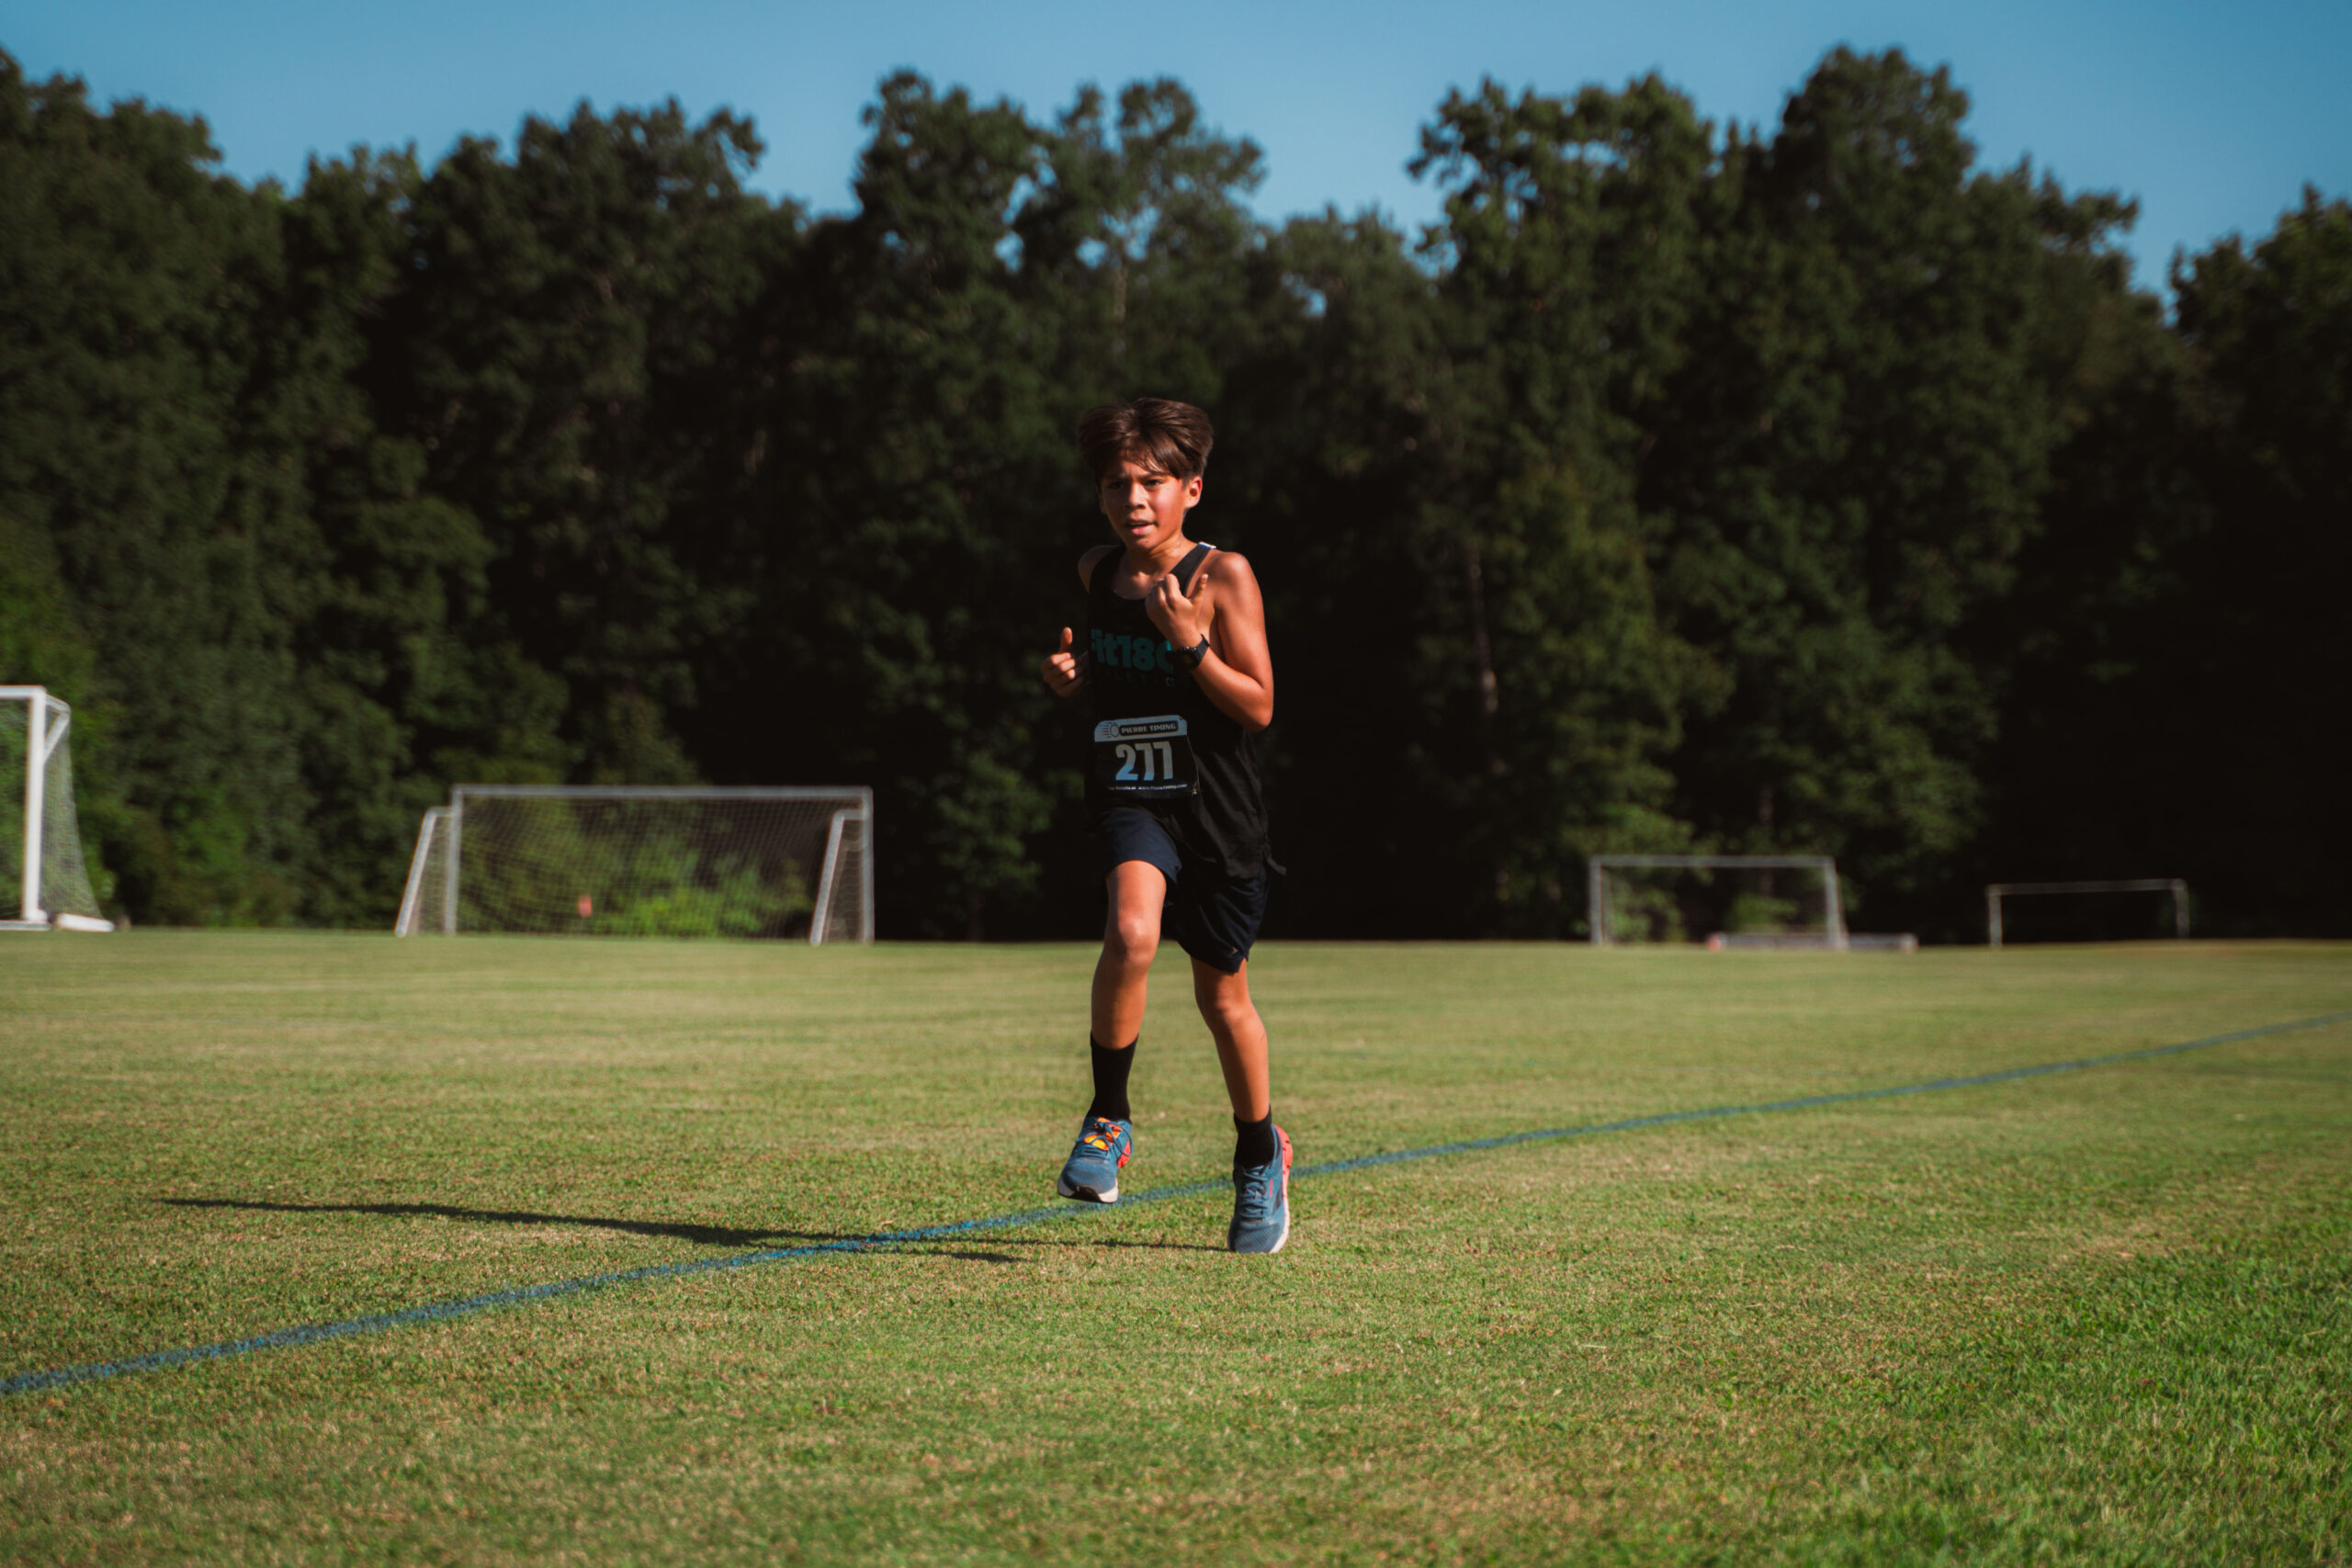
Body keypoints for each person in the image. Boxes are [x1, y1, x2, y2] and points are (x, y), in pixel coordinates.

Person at [1036, 397, 1291, 1254]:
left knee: (1224, 999)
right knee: (1132, 932)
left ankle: (1259, 1154)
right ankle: (1108, 1118)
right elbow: (1109, 671)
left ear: (1193, 489)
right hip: (1131, 798)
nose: (1133, 499)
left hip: (1217, 814)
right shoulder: (1096, 572)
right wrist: (1072, 674)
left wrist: (1191, 645)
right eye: (1117, 483)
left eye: (1152, 482)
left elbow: (1259, 705)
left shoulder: (1224, 576)